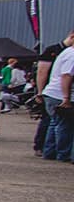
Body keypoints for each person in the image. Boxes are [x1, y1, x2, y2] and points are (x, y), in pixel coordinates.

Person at [40, 29, 74, 163]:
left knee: (56, 123)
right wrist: (66, 98)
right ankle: (63, 154)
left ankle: (50, 152)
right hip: (59, 95)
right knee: (65, 125)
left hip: (52, 93)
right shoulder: (72, 55)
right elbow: (66, 76)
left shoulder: (67, 52)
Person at [33, 36, 68, 155]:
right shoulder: (52, 50)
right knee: (49, 119)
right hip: (51, 91)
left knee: (54, 121)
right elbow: (41, 72)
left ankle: (48, 148)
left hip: (56, 91)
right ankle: (40, 146)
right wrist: (40, 92)